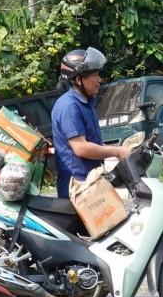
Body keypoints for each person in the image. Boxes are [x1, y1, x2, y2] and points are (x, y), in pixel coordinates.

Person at [50, 47, 132, 198]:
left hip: (91, 184)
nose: (99, 80)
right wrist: (117, 152)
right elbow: (81, 148)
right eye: (94, 75)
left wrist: (118, 149)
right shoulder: (69, 106)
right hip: (78, 188)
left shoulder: (86, 104)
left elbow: (93, 143)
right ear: (78, 79)